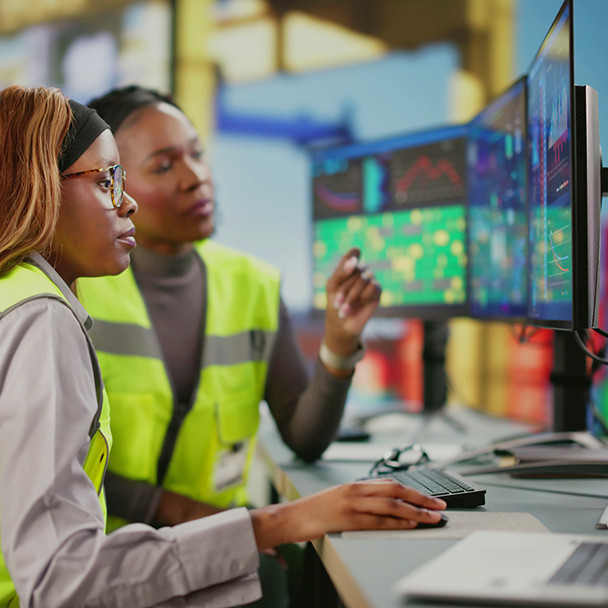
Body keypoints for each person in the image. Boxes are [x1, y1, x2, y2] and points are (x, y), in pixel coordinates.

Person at [0, 84, 446, 608]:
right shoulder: (46, 314)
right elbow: (60, 580)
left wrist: (339, 346)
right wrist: (278, 522)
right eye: (107, 180)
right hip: (125, 565)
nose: (130, 201)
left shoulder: (25, 293)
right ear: (38, 188)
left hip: (154, 564)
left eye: (197, 154)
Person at [77, 85, 383, 534]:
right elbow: (49, 461)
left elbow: (305, 437)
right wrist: (186, 515)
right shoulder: (73, 290)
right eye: (164, 165)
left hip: (222, 561)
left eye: (197, 153)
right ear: (114, 185)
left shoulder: (254, 284)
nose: (194, 175)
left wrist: (339, 345)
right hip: (113, 558)